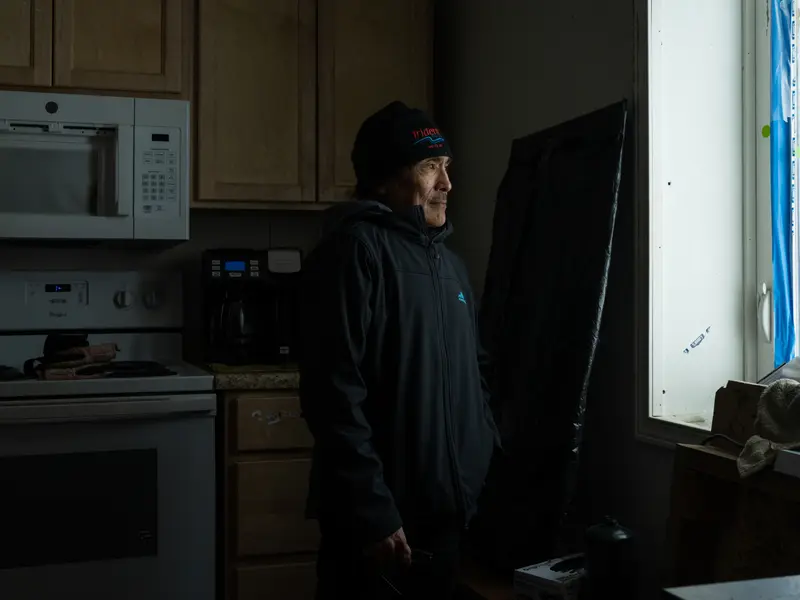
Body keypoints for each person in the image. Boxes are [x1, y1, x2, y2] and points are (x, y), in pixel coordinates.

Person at [299, 101, 500, 599]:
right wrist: (373, 512)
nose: (446, 185)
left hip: (449, 518)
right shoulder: (354, 252)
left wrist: (484, 459)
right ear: (383, 181)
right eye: (429, 167)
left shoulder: (450, 266)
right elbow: (333, 394)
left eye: (446, 168)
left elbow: (474, 374)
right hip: (382, 527)